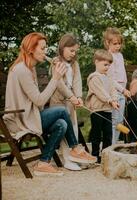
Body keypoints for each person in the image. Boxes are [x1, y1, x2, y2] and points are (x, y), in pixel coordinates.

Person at [3, 32, 96, 176]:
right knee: (61, 111)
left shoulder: (29, 68)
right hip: (19, 120)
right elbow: (39, 100)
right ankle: (75, 148)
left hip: (29, 116)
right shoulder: (22, 70)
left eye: (46, 48)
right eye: (43, 48)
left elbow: (37, 101)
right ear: (31, 49)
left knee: (62, 124)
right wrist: (56, 78)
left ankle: (43, 162)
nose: (46, 51)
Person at [49, 33, 84, 171]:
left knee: (73, 128)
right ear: (63, 47)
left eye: (75, 51)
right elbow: (59, 83)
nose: (73, 53)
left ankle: (75, 156)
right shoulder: (56, 62)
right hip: (58, 101)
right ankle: (67, 159)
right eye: (71, 50)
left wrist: (79, 96)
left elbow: (77, 81)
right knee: (64, 128)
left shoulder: (75, 64)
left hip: (71, 101)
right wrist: (71, 96)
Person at [86, 49, 119, 163]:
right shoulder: (94, 77)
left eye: (108, 65)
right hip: (97, 110)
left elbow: (112, 90)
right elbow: (101, 93)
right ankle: (95, 155)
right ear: (96, 62)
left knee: (108, 134)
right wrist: (110, 100)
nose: (107, 67)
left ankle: (105, 154)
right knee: (96, 134)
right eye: (105, 64)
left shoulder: (108, 78)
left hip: (107, 110)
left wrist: (115, 99)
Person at [103, 27, 131, 144]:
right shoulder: (108, 57)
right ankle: (111, 145)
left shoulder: (120, 56)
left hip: (122, 92)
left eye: (119, 44)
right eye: (115, 44)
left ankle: (114, 144)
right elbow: (110, 79)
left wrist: (124, 89)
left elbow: (122, 74)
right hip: (114, 92)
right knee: (114, 120)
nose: (117, 46)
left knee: (120, 121)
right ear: (107, 43)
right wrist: (122, 89)